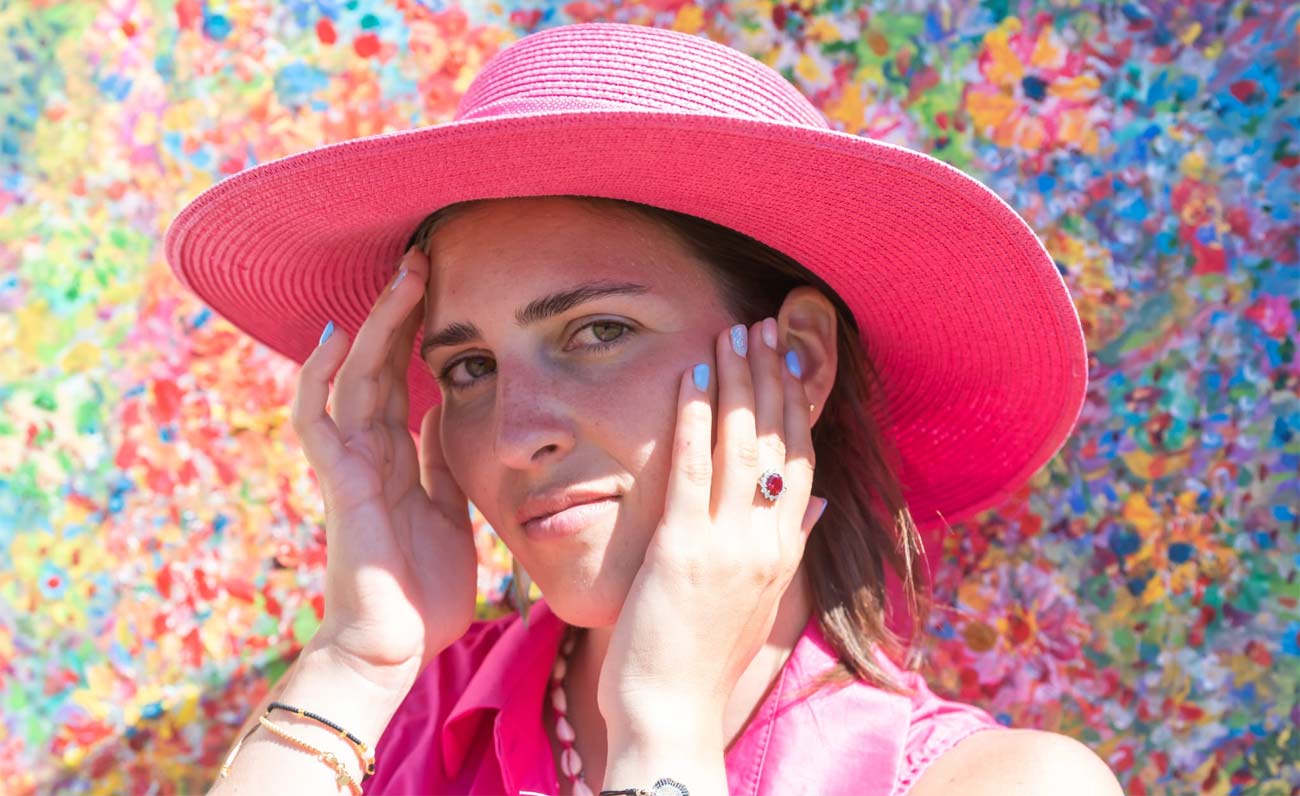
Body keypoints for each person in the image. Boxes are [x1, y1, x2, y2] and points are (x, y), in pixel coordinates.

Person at [166, 21, 1123, 796]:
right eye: (468, 367)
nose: (514, 435)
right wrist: (356, 659)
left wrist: (663, 728)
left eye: (597, 330)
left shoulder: (998, 785)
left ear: (797, 355)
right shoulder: (370, 732)